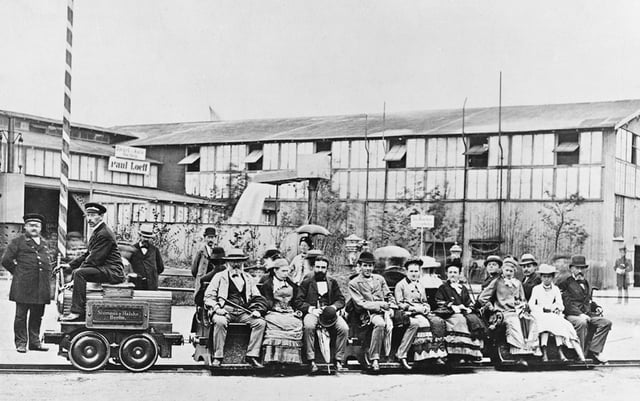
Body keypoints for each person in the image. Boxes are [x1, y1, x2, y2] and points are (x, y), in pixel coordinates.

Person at [61, 203, 125, 321]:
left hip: (113, 271)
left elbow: (94, 259)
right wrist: (69, 265)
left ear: (101, 216)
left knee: (79, 273)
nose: (89, 219)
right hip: (105, 268)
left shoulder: (104, 234)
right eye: (87, 216)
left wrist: (75, 279)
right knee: (77, 272)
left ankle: (76, 312)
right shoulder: (97, 231)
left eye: (92, 215)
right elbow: (87, 254)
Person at [204, 248, 267, 368]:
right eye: (233, 262)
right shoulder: (219, 276)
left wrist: (257, 310)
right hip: (225, 311)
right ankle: (218, 357)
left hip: (243, 312)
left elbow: (257, 296)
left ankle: (252, 356)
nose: (236, 265)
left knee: (260, 323)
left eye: (239, 261)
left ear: (243, 263)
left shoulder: (248, 278)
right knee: (220, 321)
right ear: (228, 263)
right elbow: (208, 297)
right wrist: (217, 308)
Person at [1, 213, 52, 353]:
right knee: (21, 316)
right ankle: (21, 343)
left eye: (37, 225)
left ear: (41, 228)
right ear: (25, 227)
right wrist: (18, 273)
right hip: (23, 285)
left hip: (40, 286)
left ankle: (35, 343)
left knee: (37, 315)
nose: (34, 228)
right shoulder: (17, 242)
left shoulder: (44, 243)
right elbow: (6, 260)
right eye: (31, 225)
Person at [478, 257, 540, 364]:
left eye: (511, 271)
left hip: (517, 311)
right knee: (514, 321)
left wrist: (522, 305)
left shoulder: (518, 283)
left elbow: (523, 299)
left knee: (531, 320)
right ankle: (518, 351)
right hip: (502, 312)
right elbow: (482, 298)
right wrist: (491, 307)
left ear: (514, 272)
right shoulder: (497, 282)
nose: (508, 273)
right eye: (506, 270)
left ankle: (530, 348)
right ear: (502, 270)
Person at [296, 255, 348, 372]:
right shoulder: (307, 281)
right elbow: (298, 301)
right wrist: (311, 309)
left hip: (329, 314)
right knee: (309, 326)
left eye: (323, 267)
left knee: (344, 328)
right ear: (314, 267)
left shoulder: (332, 282)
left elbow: (341, 299)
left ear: (327, 269)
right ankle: (311, 360)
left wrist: (333, 308)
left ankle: (338, 360)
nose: (320, 270)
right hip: (313, 312)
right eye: (318, 267)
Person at [348, 251, 397, 371]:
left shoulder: (379, 279)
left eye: (370, 265)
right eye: (365, 265)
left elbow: (389, 295)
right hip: (367, 314)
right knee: (380, 324)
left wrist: (391, 307)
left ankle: (394, 355)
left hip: (385, 311)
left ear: (373, 267)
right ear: (360, 266)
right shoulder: (354, 283)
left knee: (402, 321)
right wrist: (380, 305)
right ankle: (374, 358)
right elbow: (361, 303)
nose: (368, 268)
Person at [558, 255, 612, 364]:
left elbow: (588, 300)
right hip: (572, 314)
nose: (580, 271)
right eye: (577, 268)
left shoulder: (585, 282)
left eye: (582, 268)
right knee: (582, 322)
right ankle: (580, 354)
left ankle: (594, 351)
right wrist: (579, 314)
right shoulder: (565, 282)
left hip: (587, 313)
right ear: (571, 269)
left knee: (606, 323)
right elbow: (566, 303)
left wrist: (596, 307)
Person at [394, 258, 447, 369]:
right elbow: (400, 303)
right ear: (406, 272)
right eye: (411, 271)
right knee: (424, 324)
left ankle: (435, 354)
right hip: (408, 312)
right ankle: (421, 356)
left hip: (422, 311)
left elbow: (425, 301)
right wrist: (415, 309)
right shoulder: (401, 285)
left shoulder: (420, 285)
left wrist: (426, 308)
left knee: (437, 322)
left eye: (416, 271)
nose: (414, 274)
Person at [528, 264, 584, 362]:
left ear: (553, 278)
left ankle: (560, 352)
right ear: (541, 277)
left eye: (549, 277)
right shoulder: (536, 289)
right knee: (544, 325)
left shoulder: (555, 289)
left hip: (552, 314)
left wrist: (556, 308)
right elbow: (531, 304)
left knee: (558, 325)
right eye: (544, 277)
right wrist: (541, 309)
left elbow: (560, 304)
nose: (546, 279)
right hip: (541, 314)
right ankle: (544, 353)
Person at [435, 264, 485, 362]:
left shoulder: (463, 288)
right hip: (450, 314)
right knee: (460, 320)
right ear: (447, 274)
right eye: (450, 272)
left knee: (473, 320)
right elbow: (439, 301)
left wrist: (467, 308)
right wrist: (453, 307)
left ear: (459, 274)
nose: (452, 275)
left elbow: (469, 302)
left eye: (455, 272)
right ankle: (457, 353)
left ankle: (471, 354)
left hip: (463, 313)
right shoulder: (443, 288)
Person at [259, 258, 304, 364]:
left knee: (296, 323)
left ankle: (290, 360)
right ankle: (273, 359)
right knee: (273, 324)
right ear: (275, 270)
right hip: (273, 312)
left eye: (287, 271)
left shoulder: (292, 285)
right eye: (283, 271)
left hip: (289, 311)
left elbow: (296, 301)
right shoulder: (268, 285)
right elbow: (264, 301)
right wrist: (271, 308)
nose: (286, 274)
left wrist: (297, 311)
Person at [129, 225, 164, 290]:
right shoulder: (132, 249)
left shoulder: (155, 250)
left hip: (151, 285)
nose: (146, 239)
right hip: (136, 285)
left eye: (148, 237)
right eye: (144, 237)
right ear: (140, 236)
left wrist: (151, 275)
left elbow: (160, 267)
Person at [191, 227, 222, 295]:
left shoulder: (218, 251)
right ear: (205, 238)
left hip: (215, 281)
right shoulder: (200, 252)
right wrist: (200, 276)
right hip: (203, 280)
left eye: (212, 237)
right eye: (208, 237)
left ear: (215, 238)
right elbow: (194, 270)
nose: (210, 240)